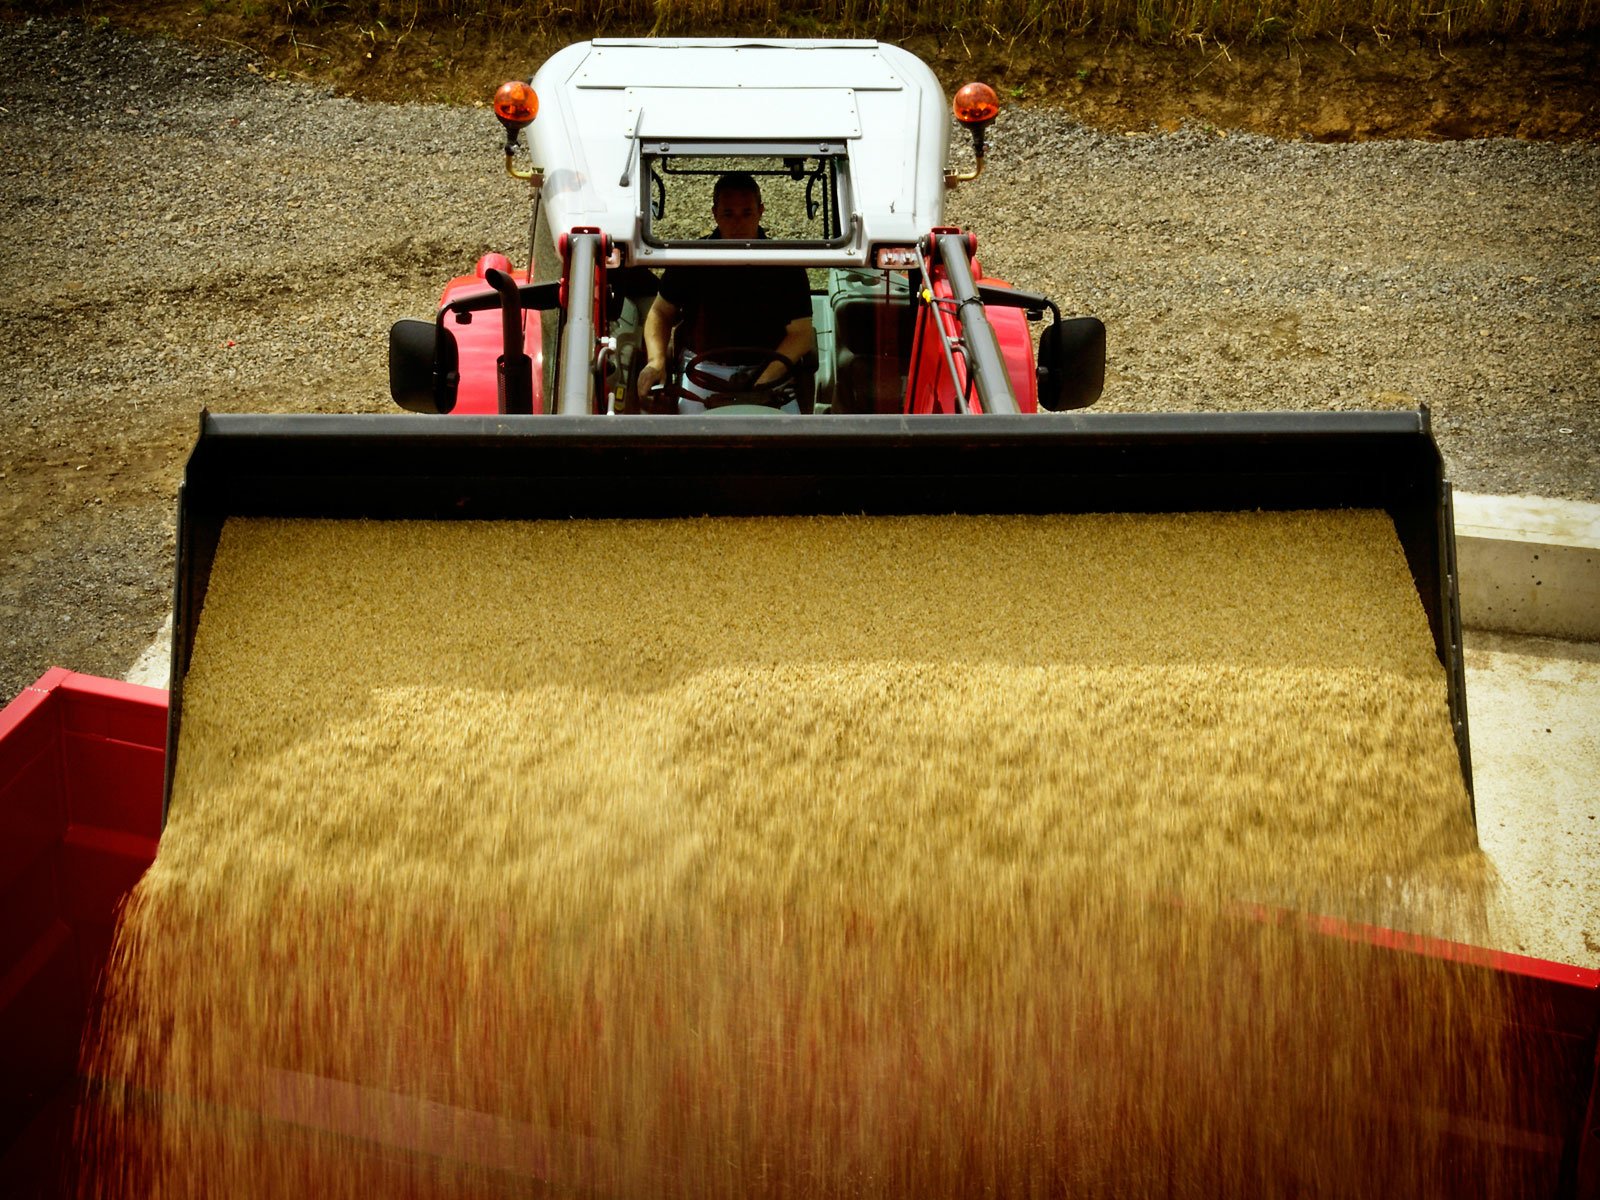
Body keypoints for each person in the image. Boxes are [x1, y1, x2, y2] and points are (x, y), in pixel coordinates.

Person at [636, 172, 815, 410]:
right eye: (729, 214)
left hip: (771, 371)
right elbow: (660, 312)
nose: (738, 223)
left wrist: (760, 383)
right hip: (702, 371)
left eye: (747, 213)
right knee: (687, 439)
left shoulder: (785, 265)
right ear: (715, 214)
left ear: (760, 211)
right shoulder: (690, 260)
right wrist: (656, 361)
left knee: (791, 441)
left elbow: (801, 334)